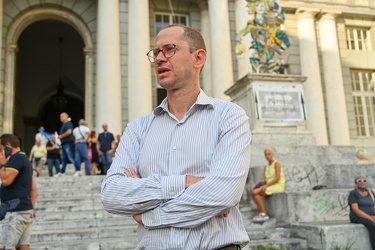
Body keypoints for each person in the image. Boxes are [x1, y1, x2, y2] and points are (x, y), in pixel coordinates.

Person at [101, 24, 252, 250]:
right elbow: (112, 194)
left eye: (169, 49)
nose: (160, 58)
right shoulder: (138, 129)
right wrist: (185, 183)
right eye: (156, 52)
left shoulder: (229, 117)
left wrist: (148, 214)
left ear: (198, 58)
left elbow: (222, 195)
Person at [0, 133, 38, 250]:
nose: (1, 153)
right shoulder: (25, 159)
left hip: (15, 212)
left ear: (8, 146)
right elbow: (34, 189)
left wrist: (2, 164)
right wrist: (29, 208)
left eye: (1, 149)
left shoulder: (16, 158)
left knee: (6, 247)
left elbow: (6, 180)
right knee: (23, 246)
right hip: (24, 210)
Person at [251, 147, 285, 222]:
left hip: (277, 185)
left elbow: (277, 178)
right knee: (253, 191)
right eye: (266, 154)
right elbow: (263, 179)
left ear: (273, 154)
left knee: (257, 192)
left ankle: (264, 213)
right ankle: (262, 212)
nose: (267, 156)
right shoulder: (266, 166)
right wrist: (256, 185)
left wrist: (265, 186)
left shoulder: (277, 163)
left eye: (269, 154)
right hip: (269, 185)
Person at [348, 175, 375, 249]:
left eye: (364, 181)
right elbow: (356, 210)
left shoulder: (370, 192)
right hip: (358, 217)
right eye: (360, 181)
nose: (362, 182)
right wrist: (370, 217)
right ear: (356, 183)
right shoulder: (353, 194)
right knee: (372, 225)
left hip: (371, 215)